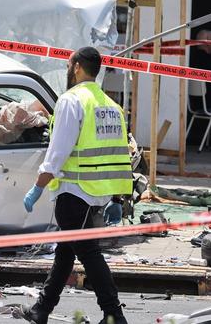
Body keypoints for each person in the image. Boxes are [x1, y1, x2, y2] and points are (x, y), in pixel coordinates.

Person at [19, 47, 131, 324]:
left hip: (74, 192)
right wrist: (116, 199)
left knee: (89, 254)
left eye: (69, 65)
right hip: (96, 196)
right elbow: (120, 156)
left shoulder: (72, 101)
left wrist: (38, 187)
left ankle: (114, 314)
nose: (68, 70)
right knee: (66, 252)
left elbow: (58, 152)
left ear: (78, 66)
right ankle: (42, 310)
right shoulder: (111, 106)